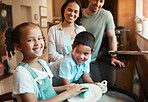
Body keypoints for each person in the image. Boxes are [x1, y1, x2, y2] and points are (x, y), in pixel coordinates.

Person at [5, 22, 87, 102]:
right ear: (18, 46)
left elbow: (46, 90)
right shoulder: (22, 72)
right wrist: (67, 94)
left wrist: (66, 88)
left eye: (39, 38)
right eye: (30, 40)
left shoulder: (42, 64)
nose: (37, 43)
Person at [82, 0, 125, 67]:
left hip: (91, 60)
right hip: (73, 59)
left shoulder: (106, 15)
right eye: (95, 0)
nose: (97, 4)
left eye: (101, 1)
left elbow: (112, 37)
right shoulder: (78, 13)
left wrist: (114, 57)